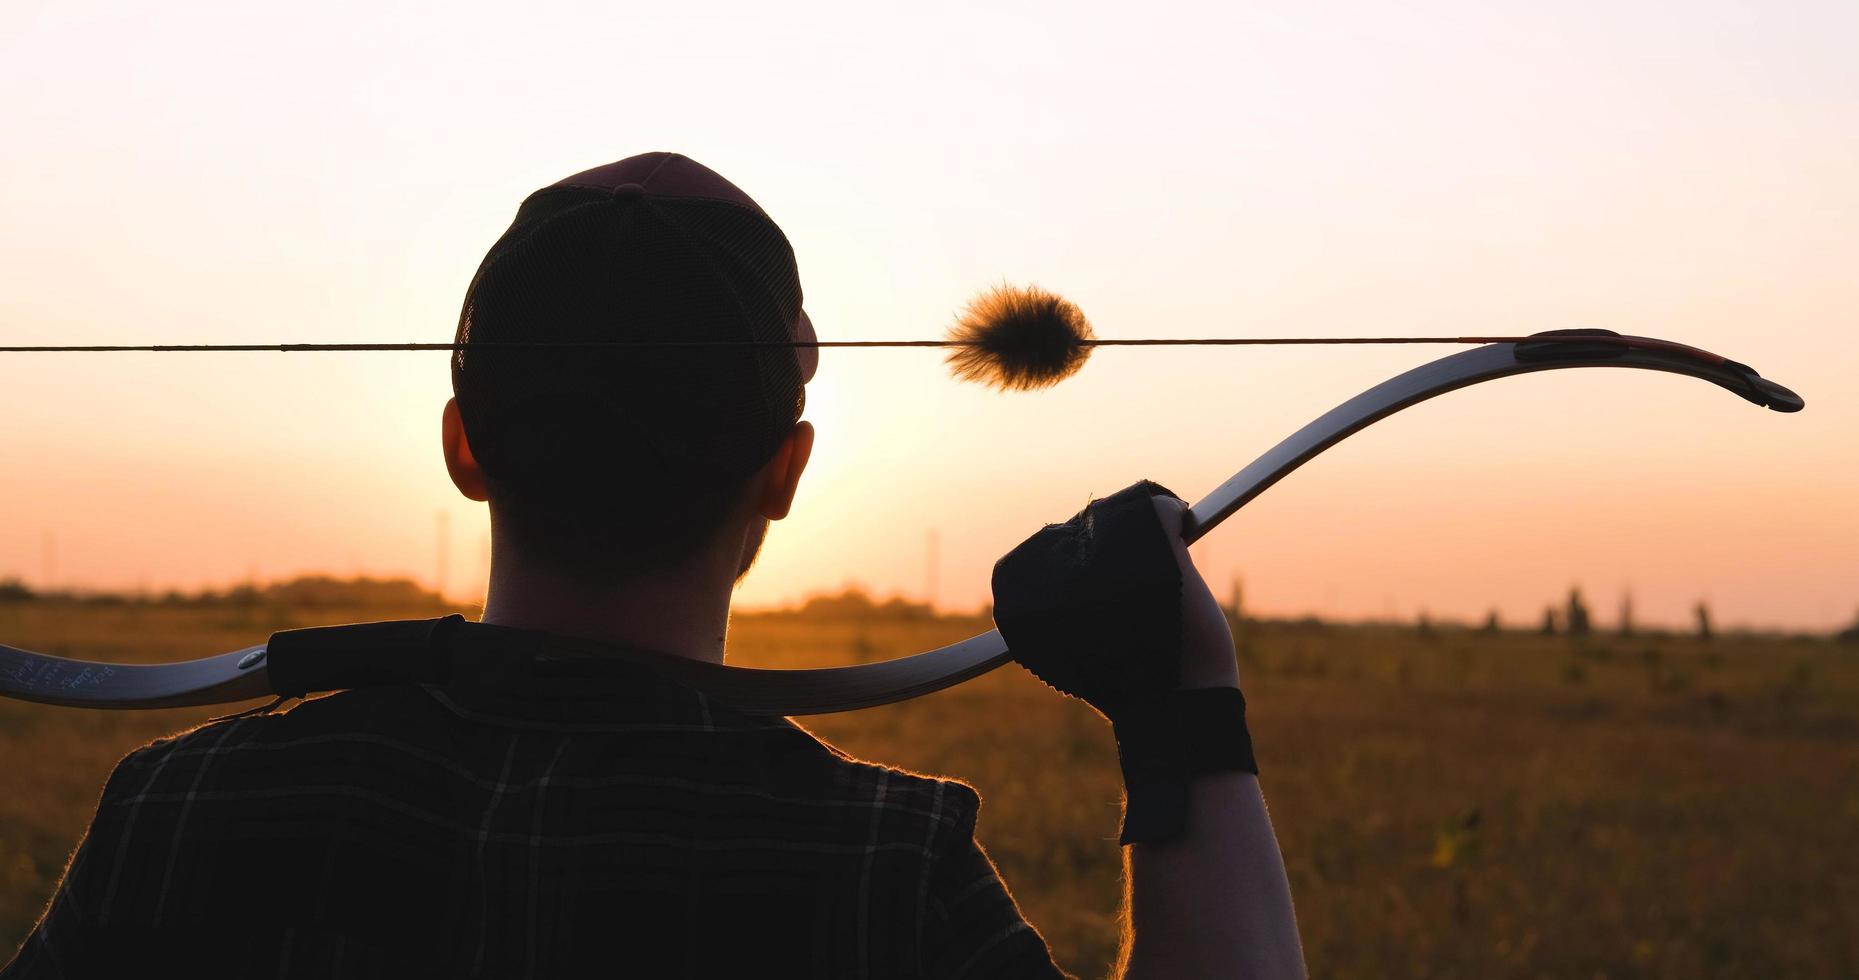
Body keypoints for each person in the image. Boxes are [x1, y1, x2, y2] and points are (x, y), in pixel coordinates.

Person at [3, 154, 1303, 979]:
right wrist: (1183, 710)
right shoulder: (881, 877)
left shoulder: (182, 816)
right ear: (785, 473)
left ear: (463, 446)